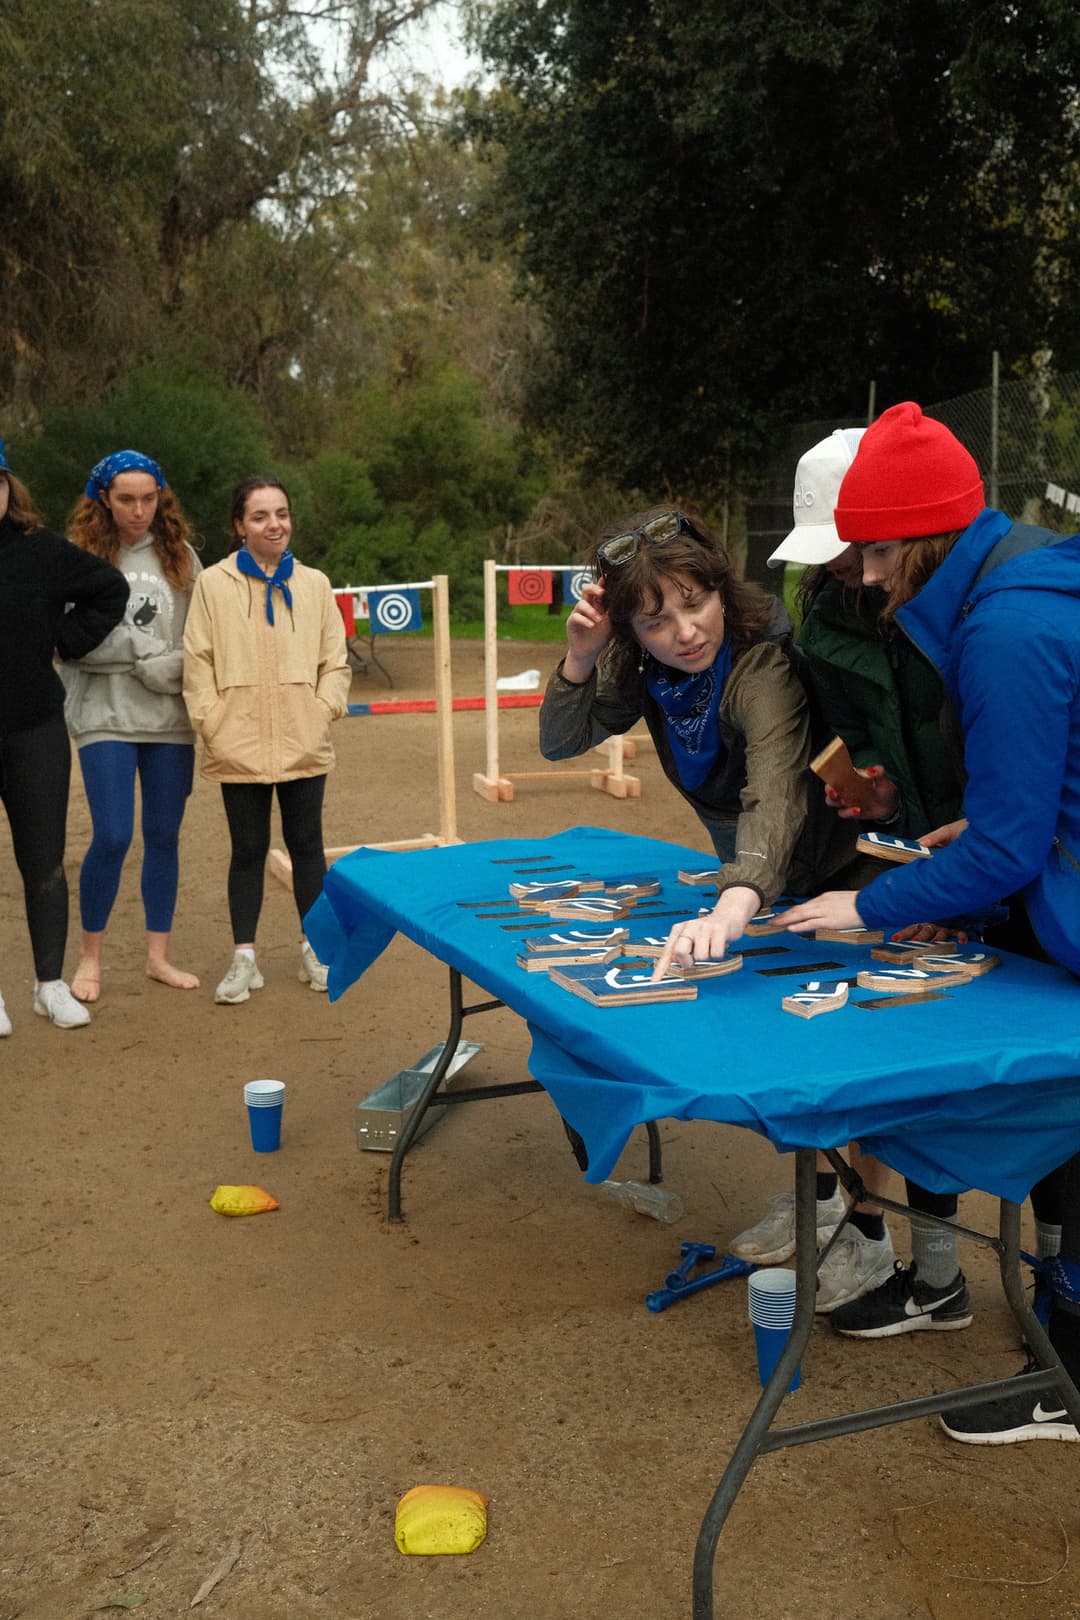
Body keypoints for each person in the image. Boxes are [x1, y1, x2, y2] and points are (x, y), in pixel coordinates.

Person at [781, 401, 1080, 1444]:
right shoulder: (1024, 578)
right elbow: (1026, 810)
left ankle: (1071, 1382)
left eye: (870, 553)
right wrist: (978, 830)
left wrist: (865, 903)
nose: (861, 576)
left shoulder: (1004, 624)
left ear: (921, 540)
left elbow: (1010, 848)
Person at [540, 505, 871, 959]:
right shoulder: (644, 667)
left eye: (695, 604)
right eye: (655, 623)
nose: (686, 632)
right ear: (631, 632)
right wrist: (580, 660)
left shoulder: (762, 669)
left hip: (847, 881)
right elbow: (560, 743)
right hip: (760, 890)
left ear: (721, 590)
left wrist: (731, 907)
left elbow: (775, 793)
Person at [182, 476, 351, 1004]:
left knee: (307, 849)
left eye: (281, 513)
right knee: (247, 851)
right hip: (238, 743)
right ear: (239, 525)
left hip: (304, 741)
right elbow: (198, 660)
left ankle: (314, 949)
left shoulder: (316, 584)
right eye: (259, 516)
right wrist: (213, 721)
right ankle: (244, 959)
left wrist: (322, 711)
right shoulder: (213, 584)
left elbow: (335, 661)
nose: (273, 524)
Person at [64, 450, 203, 1002]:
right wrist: (136, 651)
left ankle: (157, 957)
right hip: (104, 714)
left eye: (149, 498)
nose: (139, 510)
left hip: (170, 718)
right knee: (114, 834)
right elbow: (68, 642)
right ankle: (89, 957)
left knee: (164, 836)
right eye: (126, 499)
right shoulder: (77, 554)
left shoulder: (183, 557)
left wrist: (170, 668)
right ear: (104, 499)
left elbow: (199, 641)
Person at [0, 442, 128, 1030]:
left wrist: (66, 641)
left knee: (45, 860)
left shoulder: (42, 551)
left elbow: (110, 589)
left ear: (9, 488)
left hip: (34, 731)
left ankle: (49, 983)